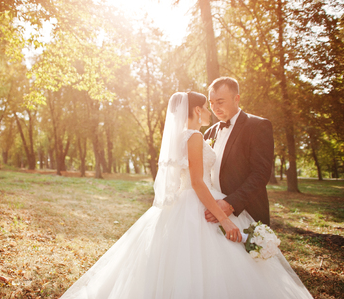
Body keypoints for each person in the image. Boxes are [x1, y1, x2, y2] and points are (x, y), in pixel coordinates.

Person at [60, 92, 312, 299]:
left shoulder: (183, 136)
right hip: (199, 199)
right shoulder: (194, 136)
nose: (209, 110)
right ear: (195, 110)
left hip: (184, 201)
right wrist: (224, 219)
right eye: (205, 106)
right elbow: (197, 183)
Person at [203, 77, 273, 226]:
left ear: (236, 99)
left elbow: (260, 174)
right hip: (213, 215)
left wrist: (231, 204)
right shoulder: (209, 133)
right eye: (211, 103)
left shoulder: (257, 126)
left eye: (220, 102)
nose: (215, 108)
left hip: (247, 213)